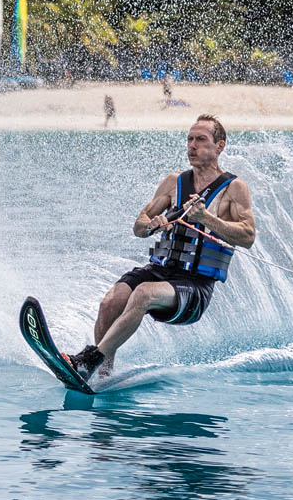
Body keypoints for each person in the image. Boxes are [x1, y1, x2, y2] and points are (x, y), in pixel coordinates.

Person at [64, 114, 256, 379]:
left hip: (194, 287)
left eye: (201, 140)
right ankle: (101, 375)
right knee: (111, 302)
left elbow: (248, 236)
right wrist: (152, 224)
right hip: (159, 272)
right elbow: (139, 226)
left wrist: (207, 219)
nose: (192, 145)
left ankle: (88, 360)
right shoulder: (173, 182)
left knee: (143, 294)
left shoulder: (234, 188)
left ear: (219, 145)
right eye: (189, 139)